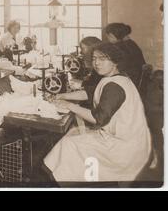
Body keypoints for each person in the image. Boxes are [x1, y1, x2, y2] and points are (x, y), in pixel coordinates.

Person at [44, 43, 151, 182]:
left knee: (69, 144)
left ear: (115, 61)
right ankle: (74, 177)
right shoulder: (115, 77)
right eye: (94, 58)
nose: (96, 63)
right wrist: (61, 96)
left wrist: (68, 105)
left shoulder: (114, 86)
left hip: (125, 148)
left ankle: (71, 181)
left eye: (102, 59)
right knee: (73, 133)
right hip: (127, 138)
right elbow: (90, 93)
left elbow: (98, 119)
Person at [105, 23, 146, 87]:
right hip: (135, 80)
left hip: (126, 82)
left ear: (111, 35)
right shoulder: (131, 44)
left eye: (107, 36)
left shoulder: (117, 47)